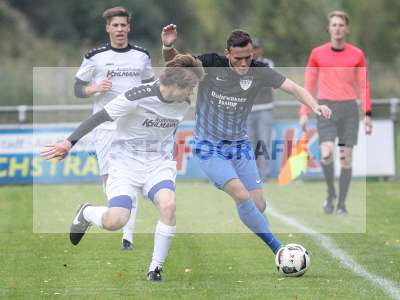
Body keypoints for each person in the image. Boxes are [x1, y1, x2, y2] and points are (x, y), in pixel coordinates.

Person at [161, 25, 331, 260]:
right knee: (241, 195)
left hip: (240, 145)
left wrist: (315, 106)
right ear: (227, 53)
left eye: (248, 58)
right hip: (209, 147)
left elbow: (293, 87)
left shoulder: (259, 72)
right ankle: (279, 250)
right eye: (238, 58)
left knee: (258, 203)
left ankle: (263, 229)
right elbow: (177, 67)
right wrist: (168, 46)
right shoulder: (212, 64)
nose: (243, 64)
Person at [42, 54, 204, 281]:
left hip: (158, 164)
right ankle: (87, 212)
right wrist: (69, 142)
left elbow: (170, 131)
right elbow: (99, 117)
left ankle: (155, 269)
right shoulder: (136, 96)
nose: (191, 94)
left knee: (169, 206)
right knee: (116, 221)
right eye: (190, 88)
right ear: (177, 85)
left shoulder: (183, 103)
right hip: (124, 163)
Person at [74, 6, 155, 250]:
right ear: (108, 28)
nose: (119, 29)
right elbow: (77, 89)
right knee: (111, 181)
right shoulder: (94, 56)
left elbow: (151, 86)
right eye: (115, 25)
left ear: (129, 27)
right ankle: (103, 216)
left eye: (123, 25)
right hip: (106, 127)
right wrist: (94, 88)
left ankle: (127, 236)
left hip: (135, 126)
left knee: (133, 175)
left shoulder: (142, 55)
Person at [299, 10, 372, 215]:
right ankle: (330, 192)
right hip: (326, 108)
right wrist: (304, 111)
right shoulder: (317, 53)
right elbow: (309, 84)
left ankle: (341, 203)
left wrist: (367, 114)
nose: (338, 28)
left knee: (346, 158)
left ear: (346, 28)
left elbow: (364, 86)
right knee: (326, 153)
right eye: (334, 25)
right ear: (328, 28)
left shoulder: (356, 54)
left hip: (349, 109)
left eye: (341, 25)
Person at [246, 38, 275, 181]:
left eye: (256, 48)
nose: (253, 51)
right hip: (247, 111)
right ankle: (251, 175)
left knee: (264, 144)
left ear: (260, 50)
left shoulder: (268, 64)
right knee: (249, 145)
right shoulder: (243, 64)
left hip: (264, 109)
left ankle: (265, 175)